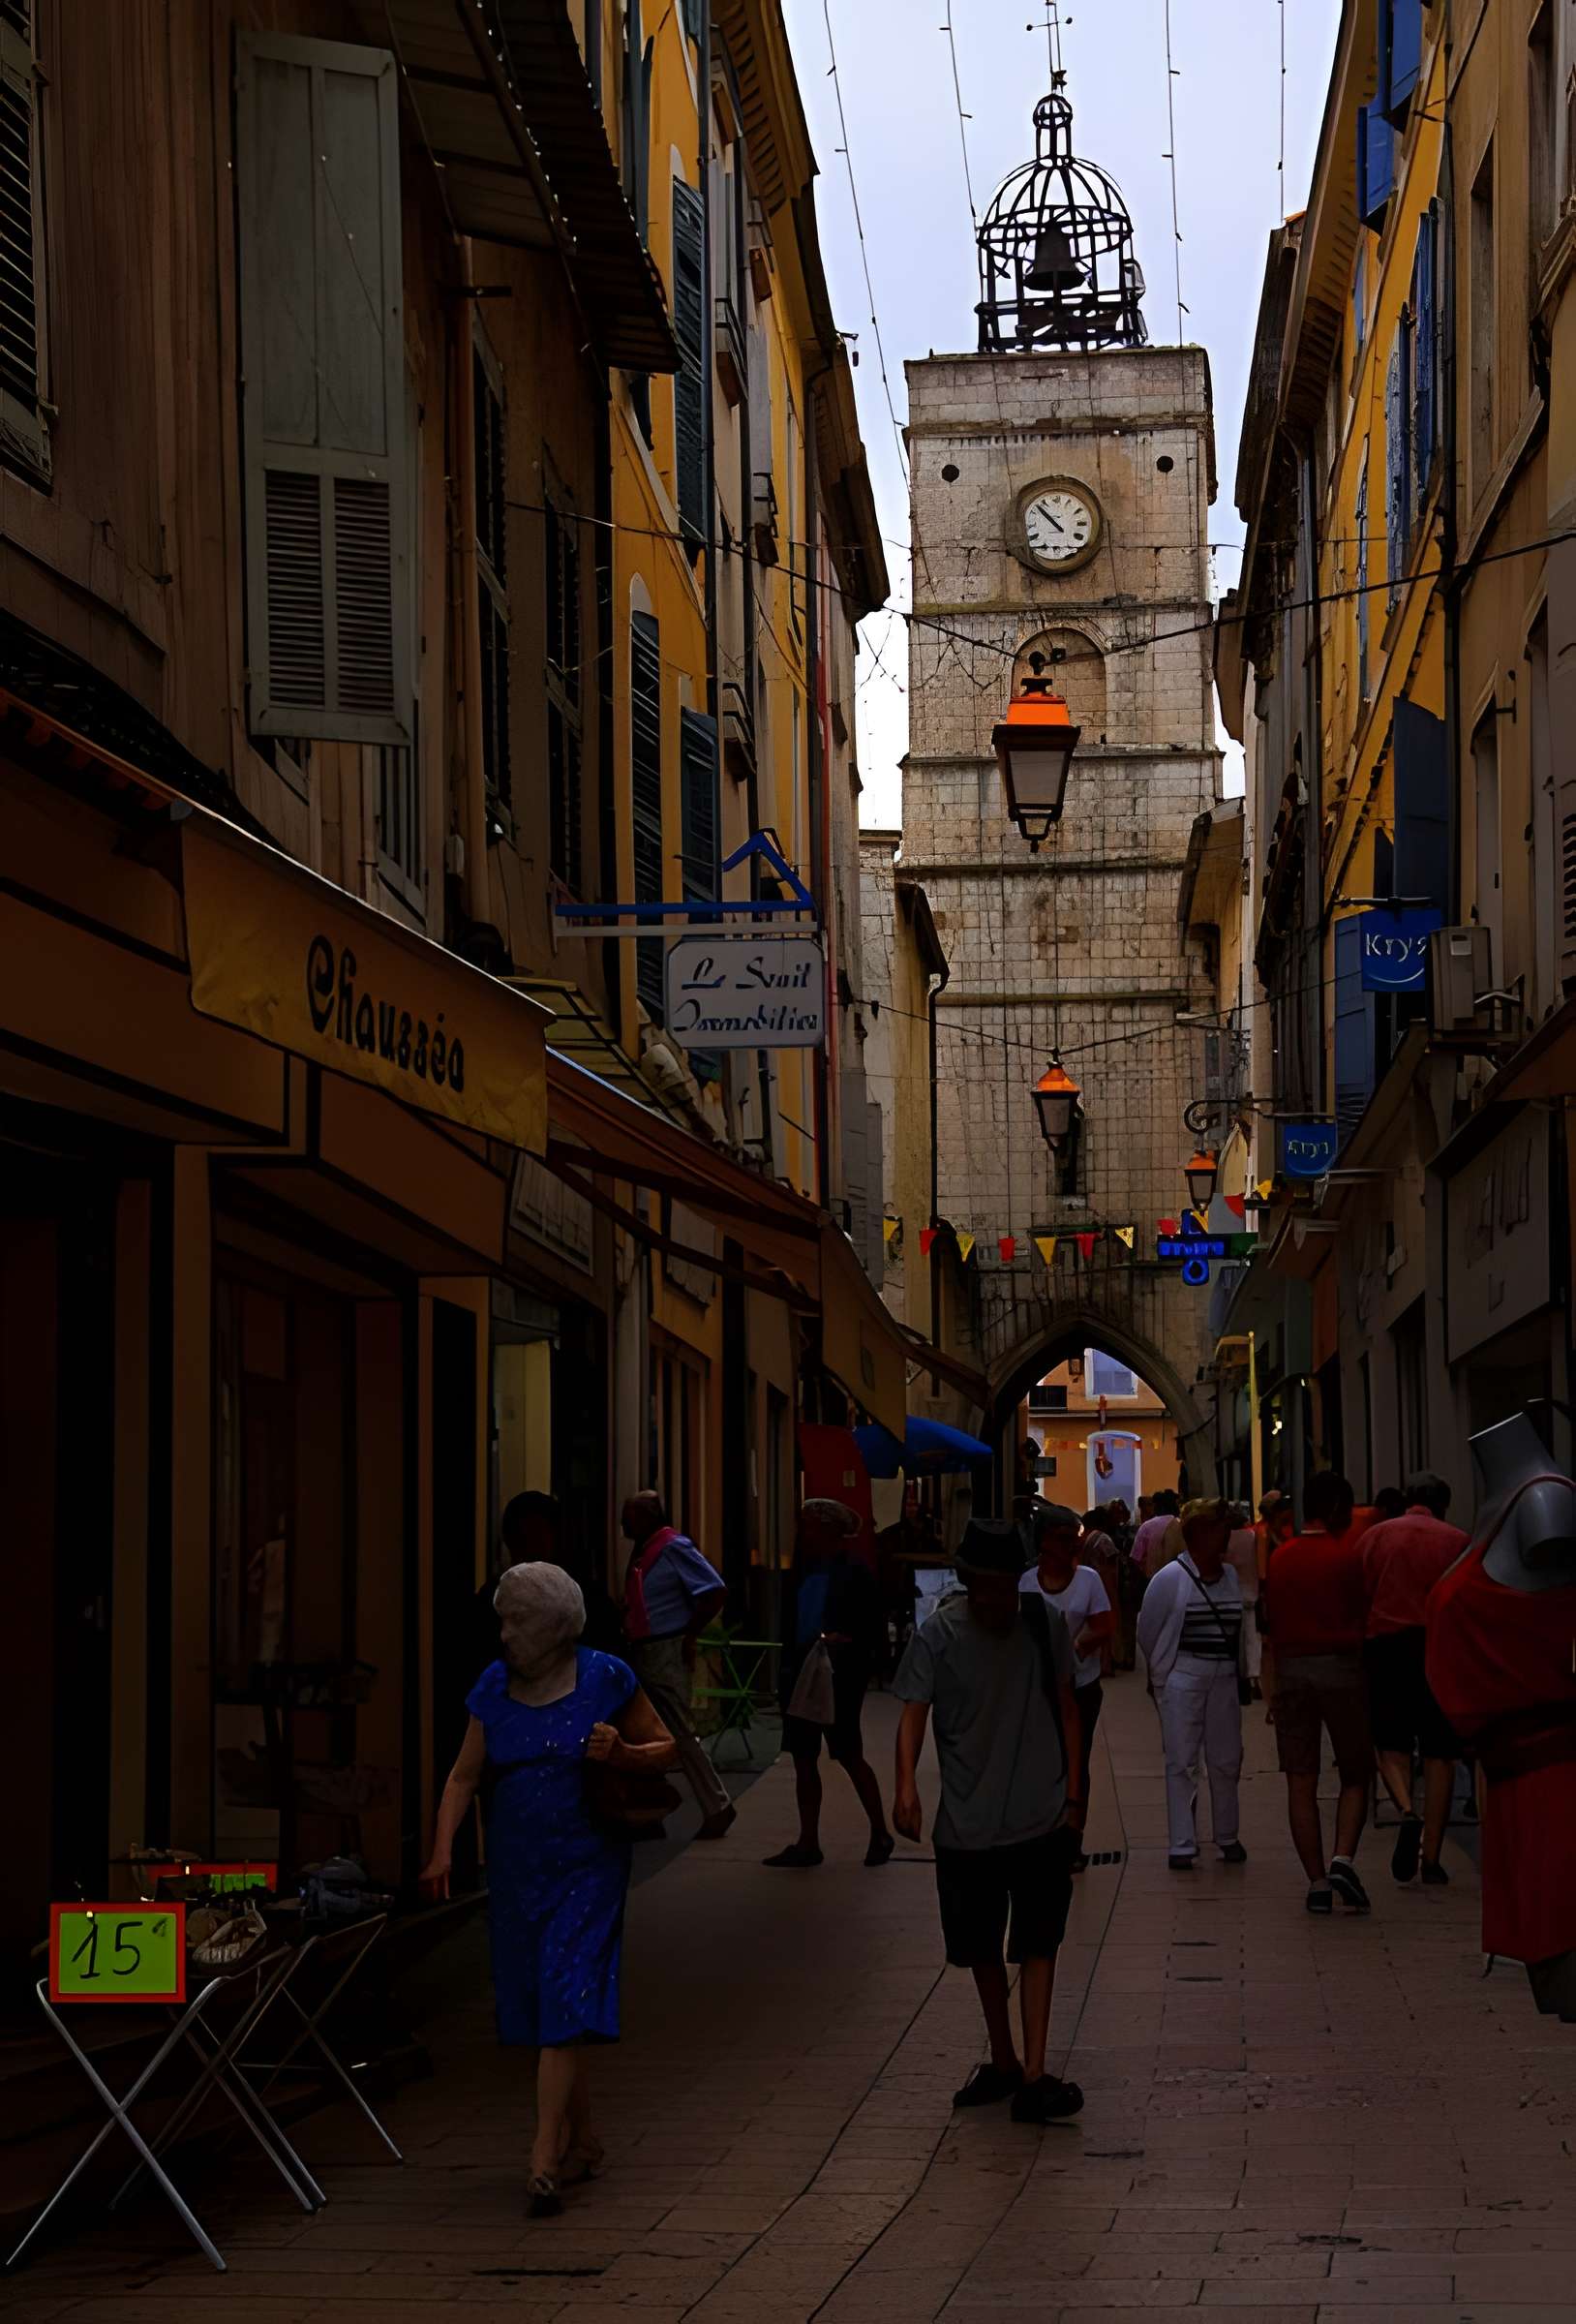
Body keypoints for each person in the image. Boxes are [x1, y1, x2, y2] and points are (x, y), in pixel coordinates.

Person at [421, 1563, 677, 2216]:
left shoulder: (605, 1677)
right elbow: (462, 1776)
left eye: (516, 1621)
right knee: (547, 2006)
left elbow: (668, 1749)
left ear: (552, 1627)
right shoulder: (492, 1687)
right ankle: (585, 2140)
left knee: (566, 1988)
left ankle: (543, 2157)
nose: (505, 1633)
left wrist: (623, 1752)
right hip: (516, 1869)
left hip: (589, 1862)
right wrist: (442, 1848)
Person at [893, 1518, 1085, 2126]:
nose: (998, 1598)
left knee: (1038, 1942)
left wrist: (1075, 1796)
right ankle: (1004, 2059)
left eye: (1008, 1585)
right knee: (979, 1948)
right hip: (968, 1822)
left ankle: (1033, 2072)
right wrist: (905, 1787)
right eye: (987, 1586)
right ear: (969, 1582)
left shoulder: (1042, 1623)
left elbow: (1069, 1706)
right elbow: (912, 1713)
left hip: (1040, 1813)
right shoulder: (938, 1635)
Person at [1260, 1472, 1375, 1914]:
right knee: (1354, 1772)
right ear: (1335, 1510)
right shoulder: (1346, 1557)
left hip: (1292, 1672)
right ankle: (1343, 1856)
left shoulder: (1282, 1559)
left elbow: (1269, 1627)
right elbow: (1362, 1613)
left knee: (1300, 1779)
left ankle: (1317, 1881)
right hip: (1343, 1668)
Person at [766, 1500, 894, 1870]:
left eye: (807, 1526)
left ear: (826, 1530)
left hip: (838, 1676)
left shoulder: (854, 1571)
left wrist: (847, 1643)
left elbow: (871, 1625)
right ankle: (808, 1841)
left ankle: (880, 1831)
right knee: (804, 1757)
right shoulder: (801, 1569)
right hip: (800, 1671)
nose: (801, 1533)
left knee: (849, 1753)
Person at [1361, 1472, 1470, 1885]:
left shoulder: (1377, 1536)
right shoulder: (1457, 1541)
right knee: (1442, 1753)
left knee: (1391, 1745)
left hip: (1387, 1647)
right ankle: (1433, 1857)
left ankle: (1407, 1810)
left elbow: (1363, 1590)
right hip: (1439, 1648)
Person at [1136, 1498, 1247, 1872]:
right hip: (1185, 1674)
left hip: (1223, 1676)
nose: (1227, 1535)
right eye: (1220, 1527)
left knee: (1227, 1757)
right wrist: (1163, 1675)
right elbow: (1148, 1631)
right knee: (1182, 1760)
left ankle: (1227, 1834)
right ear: (1199, 1533)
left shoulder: (1229, 1576)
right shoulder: (1170, 1579)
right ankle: (1182, 1842)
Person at [620, 1491, 737, 1840]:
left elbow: (715, 1590)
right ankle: (650, 1812)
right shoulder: (644, 1551)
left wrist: (690, 1634)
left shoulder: (673, 1547)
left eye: (630, 1516)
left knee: (677, 1730)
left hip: (665, 1646)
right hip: (643, 1647)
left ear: (647, 1517)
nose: (623, 1523)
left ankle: (717, 1804)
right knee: (642, 1732)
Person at [1019, 1504, 1113, 1868]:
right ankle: (1040, 1833)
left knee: (1076, 1761)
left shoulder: (1087, 1580)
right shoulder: (1026, 1584)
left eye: (1072, 1539)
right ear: (1044, 1543)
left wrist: (1074, 1647)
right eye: (1061, 1540)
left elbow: (1105, 1625)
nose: (1071, 1547)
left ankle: (1072, 1839)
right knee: (1041, 1762)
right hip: (1037, 1690)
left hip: (1081, 1687)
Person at [473, 1494, 624, 1678]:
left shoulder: (590, 1600)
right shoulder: (588, 1599)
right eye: (523, 1539)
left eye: (535, 1538)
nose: (529, 1548)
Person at [1078, 1505, 1122, 1675]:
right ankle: (1106, 1663)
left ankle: (1102, 1663)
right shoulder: (1103, 1539)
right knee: (1106, 1626)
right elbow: (1109, 1566)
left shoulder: (1089, 1539)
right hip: (1104, 1586)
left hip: (1092, 1586)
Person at [1225, 1504, 1262, 1692]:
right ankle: (1255, 1676)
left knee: (1234, 1638)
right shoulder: (1252, 1537)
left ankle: (1238, 1675)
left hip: (1231, 1595)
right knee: (1252, 1638)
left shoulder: (1225, 1540)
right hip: (1251, 1592)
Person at [1133, 1489, 1183, 1576]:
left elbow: (1136, 1558)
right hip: (1177, 1576)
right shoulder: (1181, 1525)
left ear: (1157, 1506)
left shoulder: (1146, 1526)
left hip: (1150, 1578)